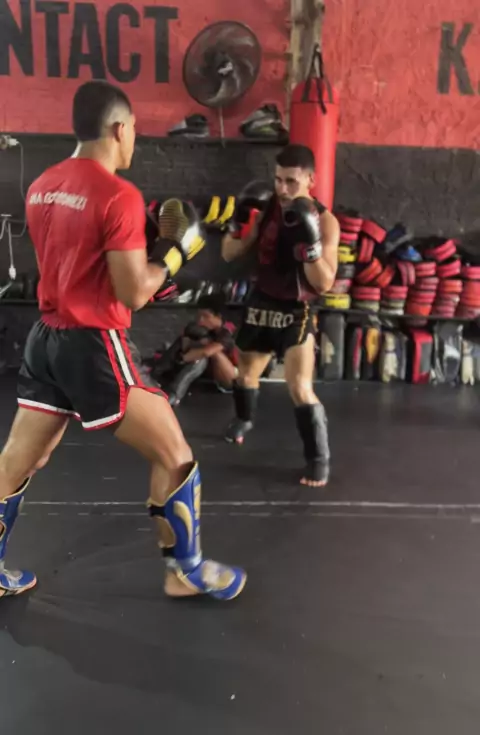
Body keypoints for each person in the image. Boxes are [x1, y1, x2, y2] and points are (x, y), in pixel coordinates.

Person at [0, 80, 246, 600]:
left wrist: (148, 260)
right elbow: (133, 292)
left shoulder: (42, 185)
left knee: (17, 461)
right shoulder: (118, 196)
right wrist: (173, 254)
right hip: (94, 346)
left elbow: (81, 268)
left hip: (46, 340)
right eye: (134, 128)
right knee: (175, 454)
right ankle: (185, 572)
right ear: (118, 128)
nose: (134, 138)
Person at [221, 144, 339, 487]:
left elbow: (324, 283)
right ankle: (244, 419)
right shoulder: (266, 207)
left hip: (296, 309)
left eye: (291, 181)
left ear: (310, 180)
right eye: (278, 180)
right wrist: (238, 225)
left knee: (300, 387)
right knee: (245, 375)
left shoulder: (325, 221)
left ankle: (318, 460)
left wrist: (310, 245)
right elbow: (230, 253)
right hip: (261, 302)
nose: (282, 189)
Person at [149, 295, 238, 406]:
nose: (201, 320)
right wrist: (188, 338)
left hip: (228, 378)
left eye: (206, 316)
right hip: (206, 372)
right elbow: (185, 346)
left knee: (203, 355)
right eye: (200, 316)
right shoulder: (202, 328)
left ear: (218, 317)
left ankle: (174, 395)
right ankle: (155, 374)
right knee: (189, 343)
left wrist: (183, 357)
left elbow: (206, 352)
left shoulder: (227, 331)